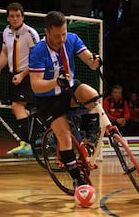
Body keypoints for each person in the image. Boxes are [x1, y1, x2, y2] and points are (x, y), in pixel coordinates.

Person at [28, 11, 101, 188]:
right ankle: (77, 179)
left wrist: (95, 61)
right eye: (57, 35)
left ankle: (88, 137)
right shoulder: (38, 51)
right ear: (47, 32)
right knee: (64, 138)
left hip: (69, 89)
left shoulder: (72, 39)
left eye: (64, 33)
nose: (61, 39)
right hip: (48, 100)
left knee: (93, 96)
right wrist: (55, 81)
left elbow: (90, 62)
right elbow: (35, 85)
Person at [0, 2, 40, 156]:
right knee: (19, 108)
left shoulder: (30, 33)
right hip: (14, 75)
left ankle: (26, 144)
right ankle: (37, 129)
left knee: (17, 107)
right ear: (7, 18)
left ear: (22, 17)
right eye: (12, 16)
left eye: (18, 16)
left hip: (29, 74)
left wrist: (22, 75)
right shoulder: (6, 31)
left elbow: (37, 59)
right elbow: (5, 52)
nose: (15, 19)